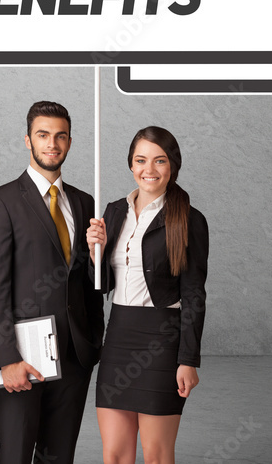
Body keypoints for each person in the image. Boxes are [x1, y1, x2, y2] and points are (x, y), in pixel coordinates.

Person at [0, 101, 104, 464]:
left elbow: (88, 281)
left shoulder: (83, 202)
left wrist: (94, 341)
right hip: (23, 357)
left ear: (70, 141)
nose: (53, 144)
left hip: (74, 357)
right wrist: (5, 359)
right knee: (16, 454)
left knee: (59, 457)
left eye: (60, 136)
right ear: (27, 141)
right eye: (43, 135)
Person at [86, 126, 209, 464]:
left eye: (160, 161)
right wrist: (95, 255)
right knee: (114, 455)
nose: (149, 170)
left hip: (162, 341)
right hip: (119, 335)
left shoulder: (188, 219)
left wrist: (188, 359)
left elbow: (195, 295)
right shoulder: (112, 212)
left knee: (156, 455)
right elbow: (103, 284)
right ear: (130, 164)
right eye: (141, 160)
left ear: (173, 167)